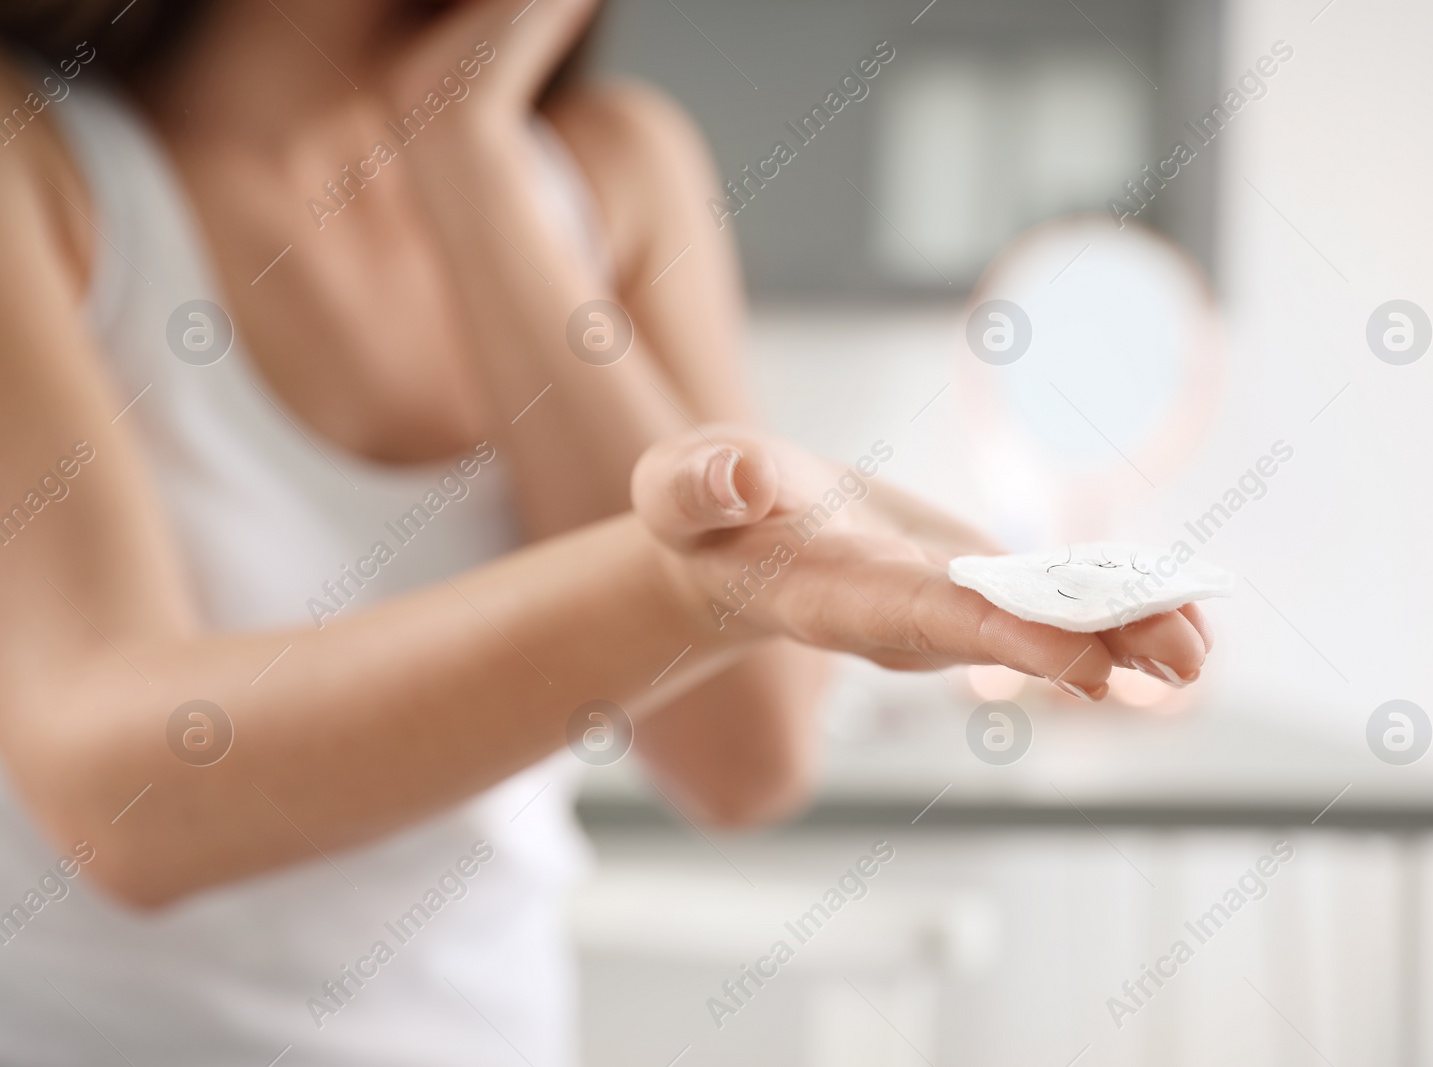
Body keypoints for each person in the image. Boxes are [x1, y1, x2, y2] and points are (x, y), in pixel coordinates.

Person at [0, 0, 1213, 1062]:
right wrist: (686, 590)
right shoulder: (41, 162)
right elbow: (127, 801)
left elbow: (739, 757)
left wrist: (465, 156)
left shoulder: (615, 173)